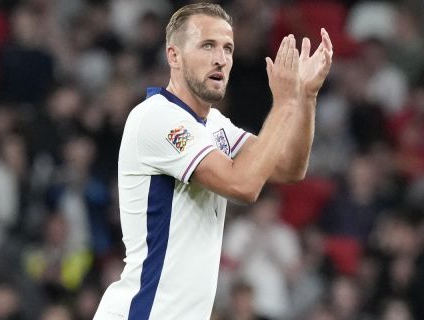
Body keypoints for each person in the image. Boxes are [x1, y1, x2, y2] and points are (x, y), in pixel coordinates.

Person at [94, 2, 332, 320]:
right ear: (174, 56)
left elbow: (289, 167)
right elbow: (243, 185)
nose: (221, 58)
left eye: (228, 48)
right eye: (208, 45)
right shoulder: (157, 118)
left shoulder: (215, 124)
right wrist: (285, 103)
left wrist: (306, 97)